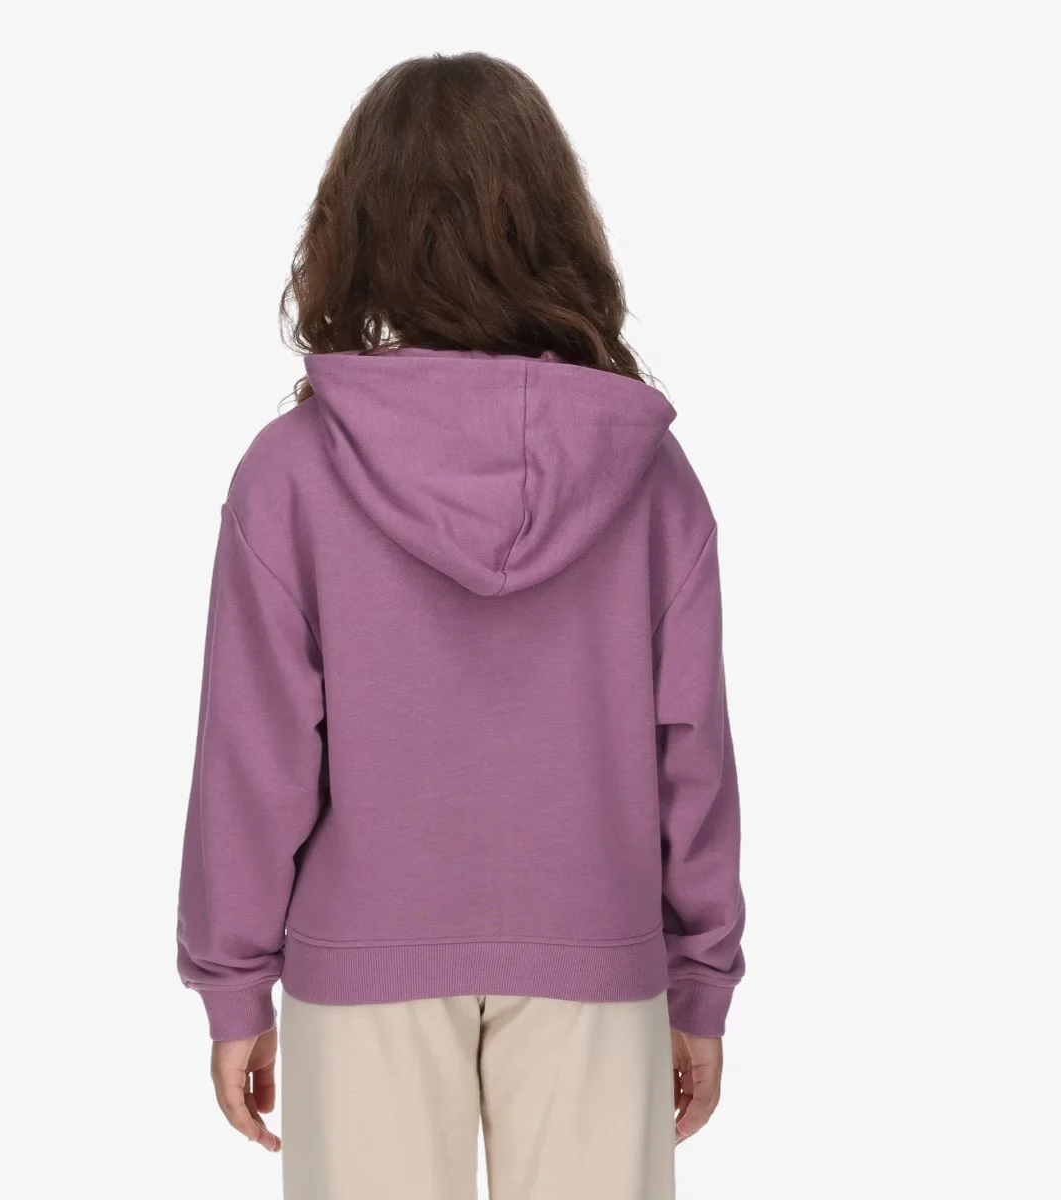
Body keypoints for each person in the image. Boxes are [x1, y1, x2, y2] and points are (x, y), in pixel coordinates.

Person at [176, 52, 745, 1200]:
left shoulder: (292, 475)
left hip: (363, 953)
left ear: (359, 225)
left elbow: (254, 756)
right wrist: (700, 977)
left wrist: (233, 986)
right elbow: (693, 751)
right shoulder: (649, 474)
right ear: (555, 222)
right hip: (595, 944)